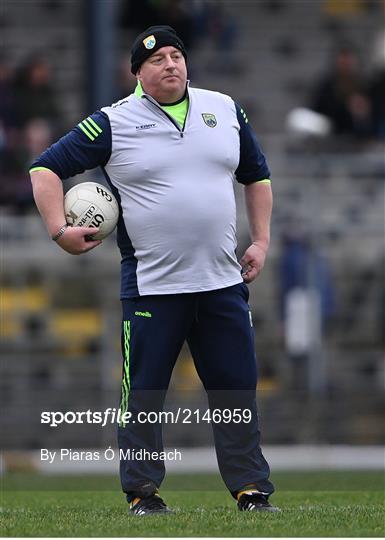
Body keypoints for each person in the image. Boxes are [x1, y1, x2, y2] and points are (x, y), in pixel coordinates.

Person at [29, 25, 277, 515]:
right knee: (142, 396)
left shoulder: (224, 108)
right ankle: (143, 493)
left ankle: (251, 490)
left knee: (236, 391)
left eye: (176, 55)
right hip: (152, 289)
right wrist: (60, 230)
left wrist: (263, 240)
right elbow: (44, 168)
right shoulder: (113, 122)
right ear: (138, 73)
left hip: (223, 283)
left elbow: (257, 175)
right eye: (158, 59)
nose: (171, 64)